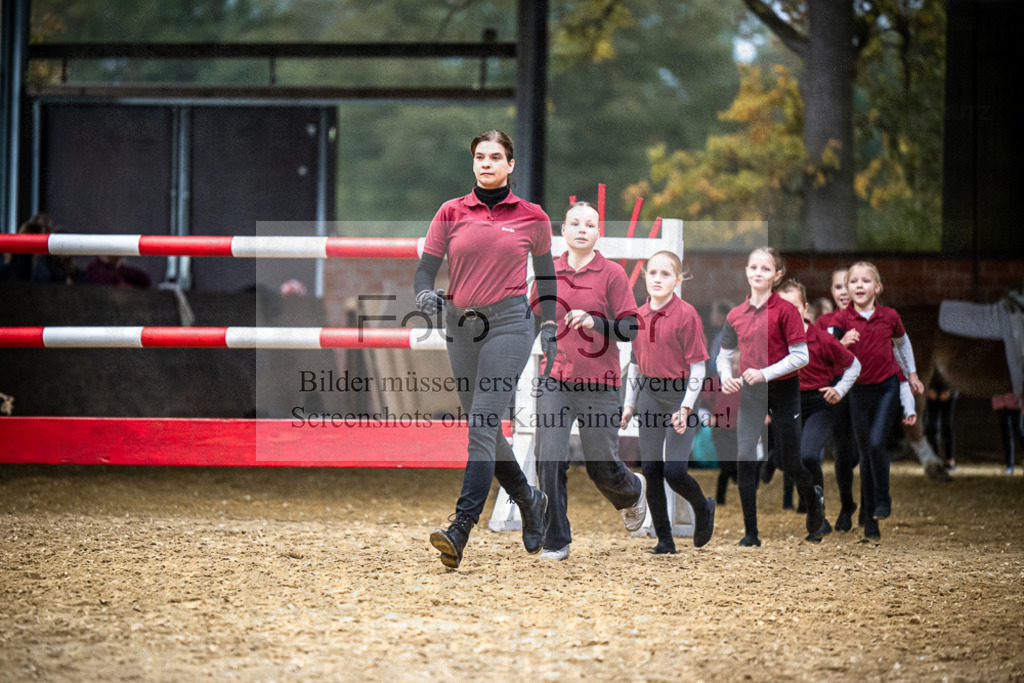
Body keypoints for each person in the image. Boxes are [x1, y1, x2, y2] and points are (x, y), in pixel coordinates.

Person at [415, 129, 557, 570]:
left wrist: (549, 324)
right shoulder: (450, 212)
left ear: (510, 165)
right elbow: (425, 272)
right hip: (461, 325)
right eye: (480, 156)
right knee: (486, 429)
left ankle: (461, 526)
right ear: (473, 162)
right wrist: (424, 296)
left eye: (496, 157)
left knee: (481, 421)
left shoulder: (533, 217)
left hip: (511, 324)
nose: (487, 163)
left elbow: (547, 278)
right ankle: (529, 498)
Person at [531, 201, 647, 562]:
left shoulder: (611, 274)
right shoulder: (548, 272)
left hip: (601, 381)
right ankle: (556, 540)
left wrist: (597, 322)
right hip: (555, 379)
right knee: (548, 456)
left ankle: (632, 492)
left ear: (599, 234)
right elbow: (531, 315)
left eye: (591, 224)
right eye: (575, 223)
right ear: (562, 232)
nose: (582, 229)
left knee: (602, 468)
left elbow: (630, 327)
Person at [715, 246, 823, 547]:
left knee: (791, 462)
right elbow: (723, 357)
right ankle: (751, 533)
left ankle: (813, 500)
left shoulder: (786, 312)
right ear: (747, 272)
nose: (758, 273)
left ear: (777, 275)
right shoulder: (736, 315)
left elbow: (800, 357)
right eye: (753, 267)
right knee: (745, 457)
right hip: (751, 392)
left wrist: (765, 372)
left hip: (785, 390)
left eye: (765, 269)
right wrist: (726, 377)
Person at [619, 251, 716, 554]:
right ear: (645, 276)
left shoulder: (686, 315)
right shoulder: (637, 315)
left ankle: (703, 506)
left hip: (679, 395)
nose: (658, 279)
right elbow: (635, 364)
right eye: (653, 273)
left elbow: (699, 367)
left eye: (666, 274)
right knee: (651, 469)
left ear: (678, 279)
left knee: (674, 470)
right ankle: (665, 539)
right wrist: (629, 404)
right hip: (648, 394)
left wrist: (686, 408)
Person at [832, 262, 923, 540]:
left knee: (875, 443)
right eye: (854, 281)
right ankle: (871, 519)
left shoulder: (889, 316)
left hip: (886, 387)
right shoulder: (842, 319)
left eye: (866, 281)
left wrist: (912, 373)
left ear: (878, 287)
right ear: (847, 289)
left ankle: (883, 498)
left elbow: (903, 344)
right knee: (865, 452)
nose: (859, 285)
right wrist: (842, 343)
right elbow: (830, 355)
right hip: (858, 392)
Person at [776, 279, 861, 540]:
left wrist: (840, 389)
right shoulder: (774, 342)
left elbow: (854, 364)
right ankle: (814, 504)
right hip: (788, 404)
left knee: (810, 454)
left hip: (818, 405)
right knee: (788, 462)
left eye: (793, 306)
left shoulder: (822, 339)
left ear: (804, 308)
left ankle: (817, 512)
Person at [816, 266, 861, 531]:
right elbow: (820, 358)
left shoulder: (868, 318)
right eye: (837, 286)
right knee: (843, 454)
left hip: (865, 391)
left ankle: (868, 508)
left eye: (847, 285)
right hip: (837, 392)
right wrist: (839, 345)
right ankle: (847, 505)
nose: (843, 292)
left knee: (861, 452)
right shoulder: (824, 323)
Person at [925, 374, 957, 470]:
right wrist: (929, 388)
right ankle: (935, 459)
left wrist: (949, 389)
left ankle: (950, 459)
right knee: (932, 424)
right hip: (932, 388)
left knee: (947, 424)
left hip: (950, 387)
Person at [992, 392, 1023, 474]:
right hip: (1000, 400)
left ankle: (1010, 465)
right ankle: (1009, 465)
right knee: (1006, 432)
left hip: (1015, 399)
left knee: (1018, 430)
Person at [83, 255, 152, 288]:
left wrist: (117, 266)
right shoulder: (94, 268)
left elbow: (145, 281)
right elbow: (108, 286)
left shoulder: (121, 269)